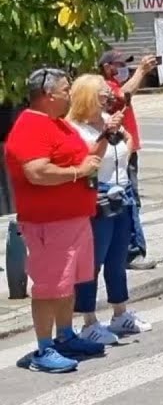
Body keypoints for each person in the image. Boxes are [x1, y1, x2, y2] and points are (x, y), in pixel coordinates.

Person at [6, 68, 108, 373]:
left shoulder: (56, 124)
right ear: (48, 95)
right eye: (65, 90)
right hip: (49, 223)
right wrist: (77, 173)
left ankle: (65, 336)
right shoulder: (31, 126)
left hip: (73, 219)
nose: (70, 95)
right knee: (50, 287)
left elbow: (84, 159)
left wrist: (103, 138)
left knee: (66, 285)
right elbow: (37, 172)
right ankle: (43, 348)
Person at [66, 74, 151, 345]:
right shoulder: (74, 128)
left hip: (121, 193)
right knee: (92, 262)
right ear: (88, 96)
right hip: (97, 197)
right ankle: (89, 320)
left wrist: (121, 133)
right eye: (103, 93)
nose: (108, 96)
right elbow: (89, 159)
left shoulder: (107, 120)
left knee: (117, 259)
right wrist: (107, 133)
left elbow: (128, 149)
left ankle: (120, 312)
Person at [97, 50, 158, 271]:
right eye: (119, 64)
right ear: (107, 67)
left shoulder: (112, 85)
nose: (124, 67)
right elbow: (123, 95)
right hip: (119, 152)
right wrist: (142, 70)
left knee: (128, 198)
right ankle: (132, 251)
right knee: (128, 199)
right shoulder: (106, 88)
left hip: (126, 150)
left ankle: (124, 249)